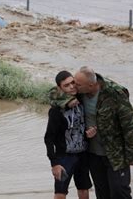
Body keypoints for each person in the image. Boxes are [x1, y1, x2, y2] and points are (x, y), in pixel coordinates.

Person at [72, 66, 133, 199]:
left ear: (91, 85)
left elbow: (129, 125)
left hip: (116, 154)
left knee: (119, 191)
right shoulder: (78, 92)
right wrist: (65, 101)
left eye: (78, 84)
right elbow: (55, 93)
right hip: (93, 154)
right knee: (102, 192)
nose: (74, 87)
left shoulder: (114, 92)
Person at [45, 70, 92, 199]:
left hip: (83, 154)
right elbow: (48, 138)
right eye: (66, 85)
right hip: (64, 157)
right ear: (60, 88)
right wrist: (54, 163)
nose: (71, 86)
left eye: (73, 83)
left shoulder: (81, 100)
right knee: (60, 193)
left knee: (84, 189)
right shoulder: (56, 111)